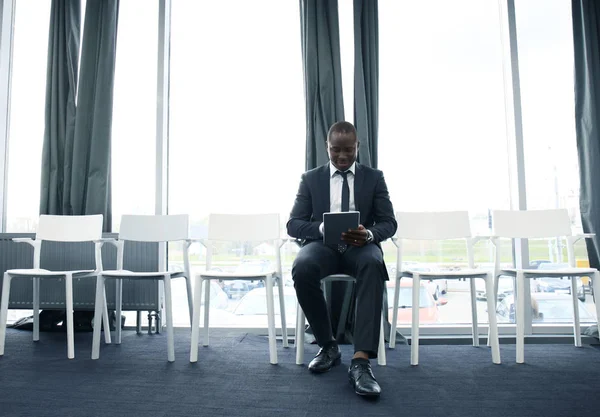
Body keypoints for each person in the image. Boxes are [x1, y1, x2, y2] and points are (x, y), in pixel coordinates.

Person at [287, 121, 397, 398]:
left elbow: (389, 222)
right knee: (302, 266)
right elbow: (293, 224)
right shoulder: (311, 178)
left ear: (358, 147)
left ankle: (361, 362)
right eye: (336, 150)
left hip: (360, 247)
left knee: (374, 263)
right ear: (327, 147)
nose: (343, 156)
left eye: (349, 150)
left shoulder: (374, 177)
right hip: (323, 246)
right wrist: (321, 229)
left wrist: (370, 234)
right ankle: (328, 345)